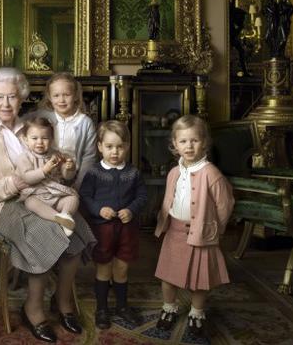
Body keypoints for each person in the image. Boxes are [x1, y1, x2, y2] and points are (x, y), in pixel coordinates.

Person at [0, 67, 95, 343]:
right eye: (0, 97)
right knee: (42, 231)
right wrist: (16, 184)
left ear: (22, 98)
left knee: (76, 225)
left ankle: (63, 300)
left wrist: (63, 168)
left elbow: (49, 169)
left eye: (12, 97)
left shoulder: (31, 127)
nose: (6, 103)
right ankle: (32, 308)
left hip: (38, 196)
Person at [154, 115, 234, 340]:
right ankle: (169, 308)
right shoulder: (173, 172)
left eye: (195, 140)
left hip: (201, 234)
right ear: (175, 144)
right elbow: (169, 200)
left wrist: (214, 229)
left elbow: (225, 205)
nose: (189, 146)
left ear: (204, 142)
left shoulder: (211, 173)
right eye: (183, 141)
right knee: (167, 276)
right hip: (174, 232)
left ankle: (197, 313)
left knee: (200, 280)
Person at [78, 120, 147, 330]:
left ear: (127, 146)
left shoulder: (133, 173)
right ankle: (102, 308)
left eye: (119, 146)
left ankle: (122, 306)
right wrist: (99, 209)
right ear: (100, 146)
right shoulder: (94, 173)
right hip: (103, 230)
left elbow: (143, 195)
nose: (114, 152)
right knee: (104, 268)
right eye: (109, 147)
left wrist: (131, 210)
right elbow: (85, 196)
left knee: (122, 268)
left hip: (126, 230)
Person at [30, 72, 97, 189]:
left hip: (73, 177)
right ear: (50, 97)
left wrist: (78, 185)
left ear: (75, 96)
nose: (61, 100)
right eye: (56, 95)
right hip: (45, 175)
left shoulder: (85, 123)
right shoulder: (43, 118)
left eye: (66, 95)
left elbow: (89, 158)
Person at [16, 117, 79, 236]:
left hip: (55, 195)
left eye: (44, 138)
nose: (39, 142)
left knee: (73, 199)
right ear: (25, 139)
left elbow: (67, 177)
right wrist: (44, 170)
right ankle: (58, 218)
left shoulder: (56, 155)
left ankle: (66, 215)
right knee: (30, 202)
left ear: (51, 139)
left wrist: (68, 168)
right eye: (34, 138)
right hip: (36, 194)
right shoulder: (24, 158)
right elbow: (27, 178)